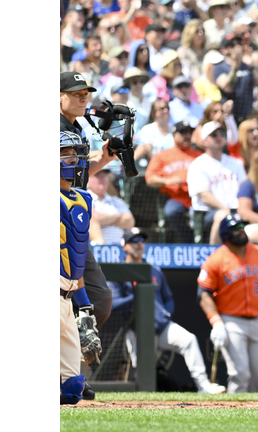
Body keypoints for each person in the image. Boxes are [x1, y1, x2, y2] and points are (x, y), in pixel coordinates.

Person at [109, 228, 227, 394]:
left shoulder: (155, 269)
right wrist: (138, 296)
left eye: (142, 240)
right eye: (134, 241)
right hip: (138, 330)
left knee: (189, 340)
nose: (139, 244)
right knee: (140, 369)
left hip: (162, 326)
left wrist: (167, 313)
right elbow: (114, 303)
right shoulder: (119, 271)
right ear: (124, 246)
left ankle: (203, 386)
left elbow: (168, 298)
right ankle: (141, 397)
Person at [59, 73, 115, 390]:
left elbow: (76, 170)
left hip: (72, 215)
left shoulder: (77, 127)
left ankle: (68, 372)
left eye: (86, 93)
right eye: (76, 93)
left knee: (98, 300)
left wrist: (104, 156)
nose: (84, 98)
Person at [197, 213, 258, 393]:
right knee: (240, 374)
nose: (241, 231)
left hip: (257, 321)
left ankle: (256, 419)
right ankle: (232, 417)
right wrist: (216, 322)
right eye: (235, 228)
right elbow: (203, 295)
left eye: (242, 227)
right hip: (231, 321)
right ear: (226, 234)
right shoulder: (216, 259)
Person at [60, 131, 102, 405]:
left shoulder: (84, 199)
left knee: (72, 389)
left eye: (76, 153)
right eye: (66, 153)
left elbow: (78, 261)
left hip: (67, 297)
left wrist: (84, 307)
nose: (74, 158)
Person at [187, 121, 248, 244]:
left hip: (236, 211)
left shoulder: (236, 163)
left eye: (222, 134)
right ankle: (214, 255)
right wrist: (228, 211)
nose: (219, 137)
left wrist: (242, 210)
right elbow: (205, 196)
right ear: (205, 141)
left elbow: (244, 189)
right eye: (214, 135)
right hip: (207, 214)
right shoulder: (198, 164)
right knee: (223, 215)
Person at [145, 120, 203, 243]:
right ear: (174, 135)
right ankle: (189, 241)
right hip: (177, 197)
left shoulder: (200, 155)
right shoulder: (162, 156)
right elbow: (149, 179)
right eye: (183, 132)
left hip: (201, 196)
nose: (187, 135)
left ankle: (206, 242)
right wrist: (167, 180)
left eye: (189, 132)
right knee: (172, 212)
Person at [215, 33, 257, 123]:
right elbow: (228, 88)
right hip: (230, 117)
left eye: (239, 44)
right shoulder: (219, 67)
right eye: (232, 45)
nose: (237, 48)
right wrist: (235, 64)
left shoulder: (247, 66)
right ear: (223, 50)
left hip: (248, 116)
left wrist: (251, 66)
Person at [87, 169, 135, 245]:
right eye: (98, 176)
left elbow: (130, 221)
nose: (102, 179)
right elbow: (95, 219)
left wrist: (104, 218)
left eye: (104, 176)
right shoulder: (85, 198)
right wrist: (119, 217)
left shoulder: (116, 200)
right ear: (88, 179)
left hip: (120, 248)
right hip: (97, 248)